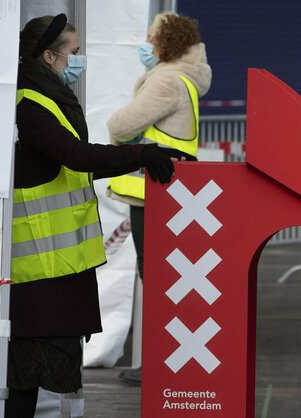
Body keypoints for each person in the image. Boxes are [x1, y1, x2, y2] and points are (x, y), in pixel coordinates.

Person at [9, 14, 194, 417]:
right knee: (33, 372)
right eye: (73, 53)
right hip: (40, 268)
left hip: (60, 263)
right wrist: (139, 153)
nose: (78, 61)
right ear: (48, 57)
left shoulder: (50, 98)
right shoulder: (31, 104)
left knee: (49, 367)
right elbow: (76, 156)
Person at [104, 12, 211, 386]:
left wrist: (121, 139)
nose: (145, 45)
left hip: (152, 196)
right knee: (166, 280)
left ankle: (159, 366)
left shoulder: (166, 81)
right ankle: (165, 361)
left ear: (166, 44)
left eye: (151, 38)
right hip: (170, 196)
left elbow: (120, 125)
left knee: (156, 279)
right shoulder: (185, 80)